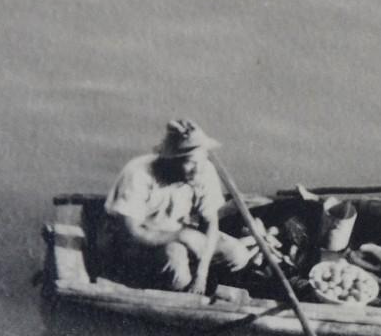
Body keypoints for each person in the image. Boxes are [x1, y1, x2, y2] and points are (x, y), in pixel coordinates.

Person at [103, 119, 262, 294]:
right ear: (171, 160)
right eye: (190, 162)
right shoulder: (138, 173)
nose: (197, 169)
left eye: (201, 160)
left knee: (236, 255)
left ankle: (194, 284)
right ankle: (168, 288)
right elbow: (131, 232)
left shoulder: (203, 170)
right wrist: (180, 236)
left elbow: (210, 223)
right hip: (136, 243)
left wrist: (201, 273)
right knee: (178, 272)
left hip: (180, 232)